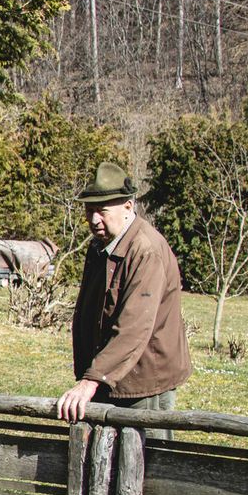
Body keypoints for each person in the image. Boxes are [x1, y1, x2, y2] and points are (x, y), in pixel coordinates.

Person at [56, 162, 191, 429]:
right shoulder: (100, 247)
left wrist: (91, 380)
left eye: (102, 211)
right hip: (108, 377)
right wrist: (92, 375)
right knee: (102, 463)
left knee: (144, 465)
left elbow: (134, 327)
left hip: (144, 383)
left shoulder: (145, 250)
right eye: (89, 210)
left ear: (128, 207)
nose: (94, 220)